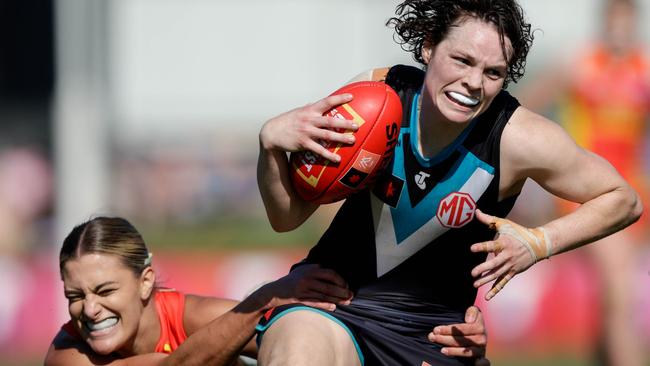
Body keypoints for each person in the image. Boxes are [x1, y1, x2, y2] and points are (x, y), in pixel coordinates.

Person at [256, 0, 643, 365]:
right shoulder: (376, 96)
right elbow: (287, 217)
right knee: (297, 348)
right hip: (332, 311)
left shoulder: (518, 137)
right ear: (428, 47)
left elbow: (622, 199)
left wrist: (538, 243)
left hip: (436, 337)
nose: (473, 82)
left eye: (493, 73)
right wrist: (271, 146)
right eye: (462, 60)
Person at [44, 216, 491, 365]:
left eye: (104, 290)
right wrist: (267, 298)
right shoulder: (68, 355)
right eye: (75, 296)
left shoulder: (193, 316)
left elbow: (333, 343)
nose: (90, 309)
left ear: (145, 282)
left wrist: (445, 345)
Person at [519, 1, 650, 364]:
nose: (620, 31)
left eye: (627, 23)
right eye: (614, 22)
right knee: (621, 293)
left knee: (611, 296)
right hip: (588, 194)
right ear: (605, 23)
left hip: (633, 192)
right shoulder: (581, 66)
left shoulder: (644, 71)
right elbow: (526, 106)